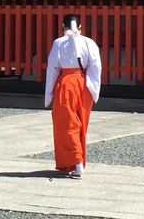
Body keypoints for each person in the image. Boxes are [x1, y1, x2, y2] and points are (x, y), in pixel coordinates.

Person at [44, 13, 102, 178]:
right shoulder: (89, 42)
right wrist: (92, 87)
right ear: (81, 27)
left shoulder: (59, 43)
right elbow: (95, 66)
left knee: (67, 123)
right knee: (80, 122)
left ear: (63, 27)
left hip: (66, 83)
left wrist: (49, 93)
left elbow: (53, 68)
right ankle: (77, 160)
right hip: (84, 84)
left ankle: (76, 162)